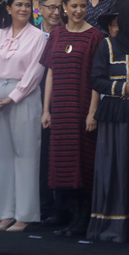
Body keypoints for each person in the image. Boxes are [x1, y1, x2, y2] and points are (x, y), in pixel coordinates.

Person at [87, 2, 129, 243]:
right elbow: (96, 79)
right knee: (116, 167)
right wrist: (122, 87)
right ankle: (114, 226)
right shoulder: (107, 45)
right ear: (126, 20)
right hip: (115, 117)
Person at [40, 0, 103, 237]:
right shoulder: (56, 34)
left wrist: (92, 112)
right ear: (64, 7)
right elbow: (50, 73)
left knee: (83, 164)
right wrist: (46, 109)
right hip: (61, 110)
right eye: (74, 6)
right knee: (62, 162)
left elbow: (98, 77)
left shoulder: (95, 36)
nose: (78, 11)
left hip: (82, 109)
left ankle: (83, 219)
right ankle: (67, 215)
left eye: (82, 6)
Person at [0, 0, 46, 231]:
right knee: (4, 156)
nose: (24, 9)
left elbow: (36, 71)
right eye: (18, 4)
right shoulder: (1, 33)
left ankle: (26, 214)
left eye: (27, 5)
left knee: (26, 154)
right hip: (0, 92)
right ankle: (6, 212)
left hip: (24, 94)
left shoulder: (37, 36)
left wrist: (13, 96)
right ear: (8, 9)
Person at [36, 0, 63, 224]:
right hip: (30, 98)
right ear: (40, 9)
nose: (56, 12)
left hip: (61, 100)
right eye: (51, 8)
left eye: (58, 8)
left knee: (57, 153)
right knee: (38, 154)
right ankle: (41, 206)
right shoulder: (31, 32)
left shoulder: (66, 32)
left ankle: (59, 209)